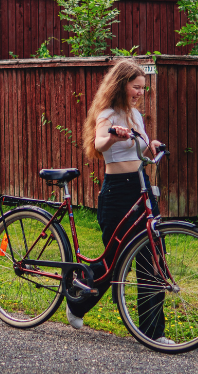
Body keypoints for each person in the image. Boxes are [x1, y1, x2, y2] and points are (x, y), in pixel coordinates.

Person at [69, 59, 172, 344]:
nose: (140, 92)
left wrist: (151, 146)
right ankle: (77, 300)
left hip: (142, 188)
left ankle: (153, 333)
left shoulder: (136, 117)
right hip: (117, 192)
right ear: (121, 84)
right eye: (135, 87)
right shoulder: (107, 114)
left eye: (142, 87)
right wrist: (113, 136)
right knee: (115, 259)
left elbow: (141, 152)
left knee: (152, 257)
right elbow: (99, 143)